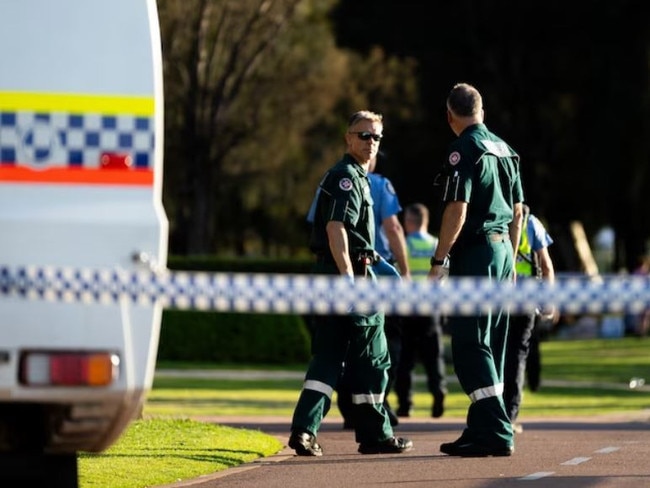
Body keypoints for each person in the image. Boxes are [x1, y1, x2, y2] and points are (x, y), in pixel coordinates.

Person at [289, 110, 413, 456]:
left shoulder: (357, 176)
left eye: (376, 137)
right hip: (350, 278)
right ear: (348, 137)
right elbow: (335, 229)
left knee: (328, 358)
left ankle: (304, 430)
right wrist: (349, 281)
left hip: (344, 276)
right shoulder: (346, 176)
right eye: (364, 135)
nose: (370, 143)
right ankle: (375, 434)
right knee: (373, 356)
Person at [428, 82, 524, 457]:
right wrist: (513, 261)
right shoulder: (506, 149)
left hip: (476, 256)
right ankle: (480, 428)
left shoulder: (463, 149)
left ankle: (498, 430)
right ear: (481, 111)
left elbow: (457, 209)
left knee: (469, 343)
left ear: (450, 115)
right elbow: (518, 212)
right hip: (502, 253)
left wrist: (439, 260)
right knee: (492, 345)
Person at [336, 154, 410, 429]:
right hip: (378, 273)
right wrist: (405, 271)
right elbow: (393, 228)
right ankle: (378, 406)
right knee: (385, 345)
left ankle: (350, 409)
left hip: (345, 273)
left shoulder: (331, 180)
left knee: (348, 345)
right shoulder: (380, 185)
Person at [504, 205, 557, 434]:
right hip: (527, 297)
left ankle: (490, 411)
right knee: (518, 355)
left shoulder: (496, 217)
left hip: (499, 296)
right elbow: (546, 266)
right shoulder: (531, 222)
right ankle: (510, 415)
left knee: (497, 352)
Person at [395, 202, 448, 419]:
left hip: (408, 309)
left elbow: (396, 276)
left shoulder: (403, 244)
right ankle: (438, 394)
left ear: (408, 222)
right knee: (434, 357)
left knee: (404, 359)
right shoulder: (437, 245)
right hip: (431, 308)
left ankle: (405, 404)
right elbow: (444, 277)